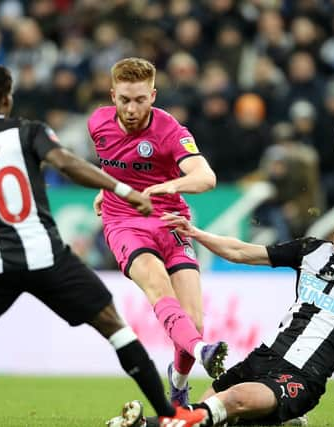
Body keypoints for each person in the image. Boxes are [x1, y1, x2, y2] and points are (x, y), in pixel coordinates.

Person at [0, 64, 207, 427]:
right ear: (7, 98)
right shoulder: (27, 131)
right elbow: (66, 163)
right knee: (114, 326)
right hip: (46, 256)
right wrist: (120, 191)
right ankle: (171, 415)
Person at [107, 192, 334, 427]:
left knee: (230, 402)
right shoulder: (310, 250)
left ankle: (143, 424)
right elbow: (241, 251)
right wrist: (196, 233)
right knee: (210, 413)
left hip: (303, 376)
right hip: (262, 358)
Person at [89, 57, 228, 407]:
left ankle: (179, 380)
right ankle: (203, 351)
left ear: (153, 95)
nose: (132, 109)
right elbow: (113, 165)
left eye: (140, 100)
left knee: (193, 320)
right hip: (123, 223)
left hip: (170, 221)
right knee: (156, 285)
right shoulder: (97, 123)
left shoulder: (171, 132)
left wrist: (168, 186)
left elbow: (206, 177)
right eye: (124, 100)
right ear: (112, 95)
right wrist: (105, 190)